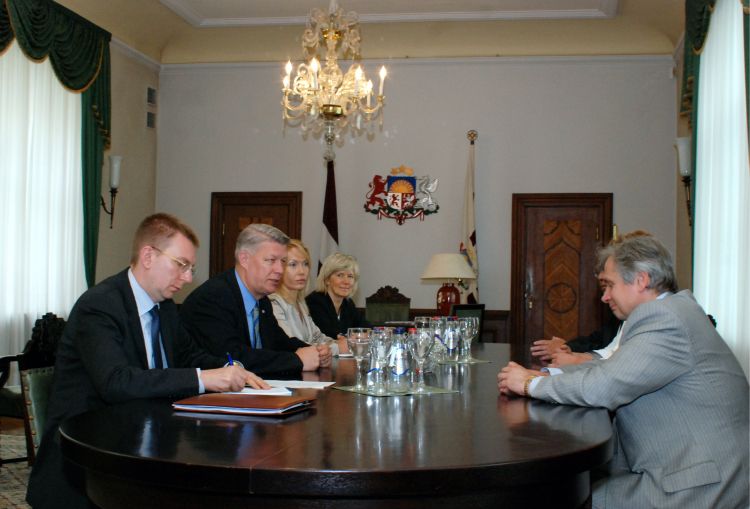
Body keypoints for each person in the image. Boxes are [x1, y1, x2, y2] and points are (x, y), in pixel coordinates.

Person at [26, 213, 268, 509]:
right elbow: (116, 382)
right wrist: (203, 378)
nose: (188, 278)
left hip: (144, 441)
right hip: (89, 460)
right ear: (148, 256)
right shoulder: (100, 306)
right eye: (181, 265)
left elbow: (190, 355)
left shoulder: (164, 307)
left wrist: (232, 369)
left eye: (191, 268)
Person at [498, 235, 749, 508]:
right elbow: (614, 367)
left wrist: (529, 385)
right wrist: (548, 376)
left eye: (610, 285)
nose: (604, 296)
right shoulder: (672, 310)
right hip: (690, 467)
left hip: (696, 483)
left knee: (558, 496)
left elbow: (603, 386)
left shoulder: (665, 320)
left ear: (641, 280)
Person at [180, 224, 331, 376]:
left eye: (283, 262)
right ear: (244, 259)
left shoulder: (262, 299)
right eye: (271, 260)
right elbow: (233, 357)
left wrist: (314, 351)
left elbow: (278, 342)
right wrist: (297, 360)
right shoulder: (213, 297)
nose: (280, 270)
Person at [268, 239, 349, 355]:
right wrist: (338, 348)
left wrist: (341, 343)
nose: (302, 271)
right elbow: (291, 345)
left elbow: (318, 337)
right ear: (279, 269)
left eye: (305, 264)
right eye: (293, 264)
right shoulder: (273, 304)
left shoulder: (300, 304)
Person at [306, 252, 370, 340]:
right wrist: (356, 336)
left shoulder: (348, 303)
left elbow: (367, 328)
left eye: (350, 276)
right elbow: (329, 335)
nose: (346, 282)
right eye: (340, 275)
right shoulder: (314, 301)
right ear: (327, 279)